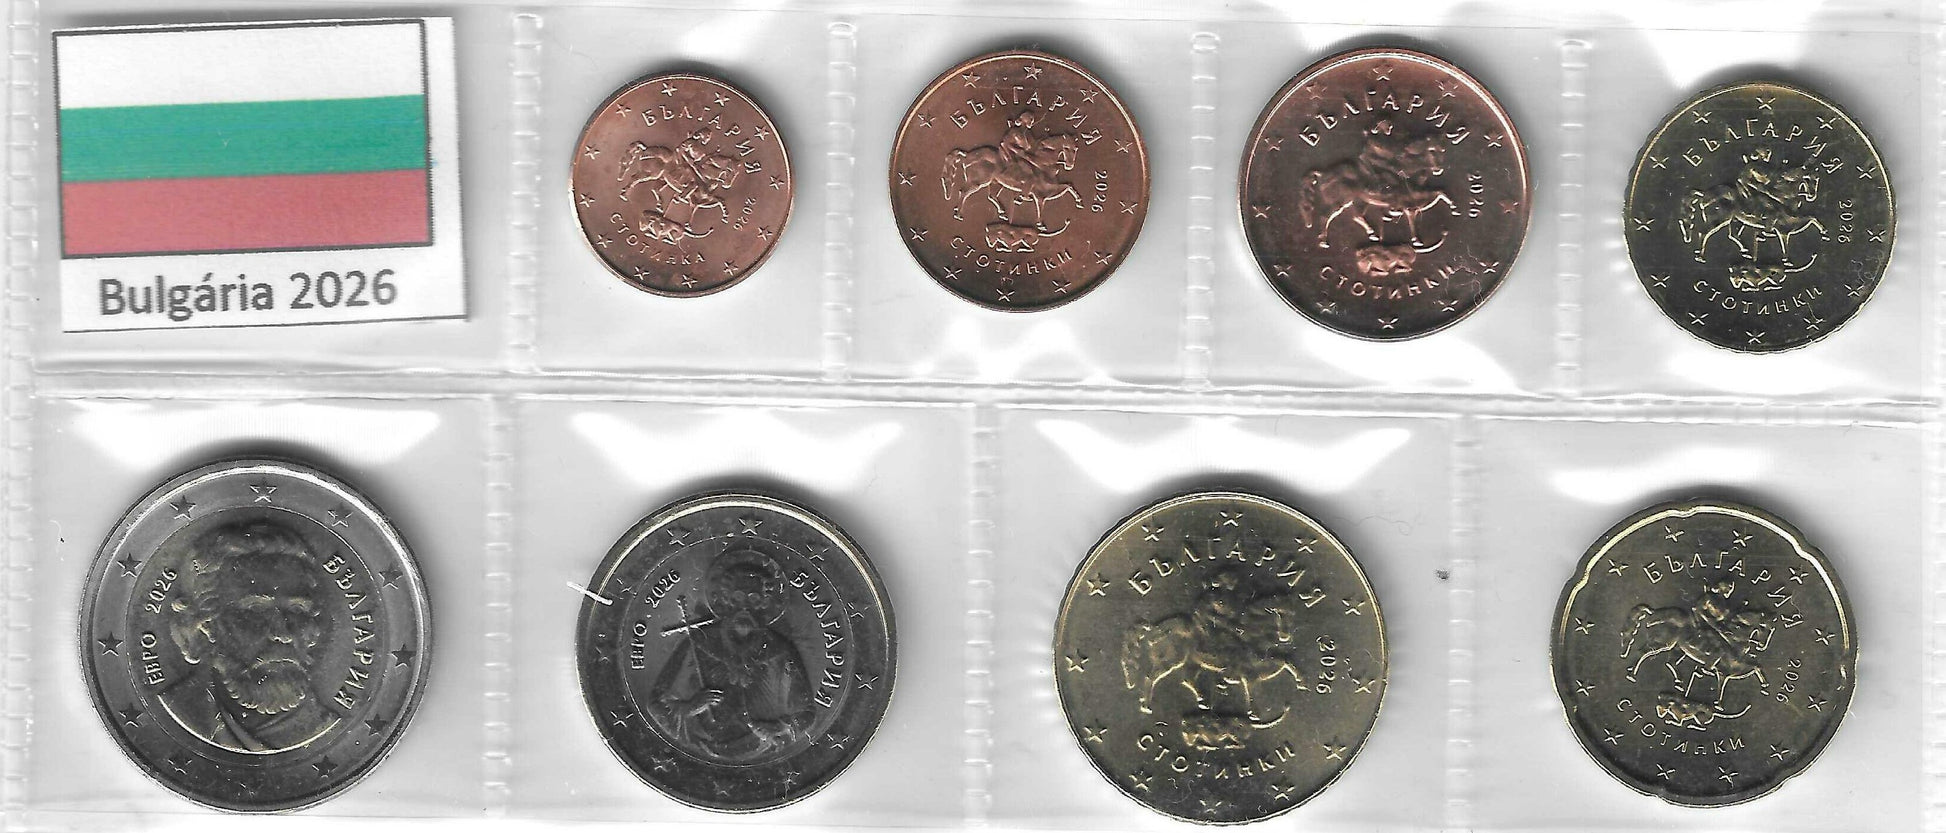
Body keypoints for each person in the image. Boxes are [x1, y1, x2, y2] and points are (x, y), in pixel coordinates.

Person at [158, 519, 337, 753]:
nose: (282, 633)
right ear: (208, 624)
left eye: (297, 610)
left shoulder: (327, 728)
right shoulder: (179, 712)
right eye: (256, 610)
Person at [648, 549, 814, 763]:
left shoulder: (780, 650)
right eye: (737, 597)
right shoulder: (699, 643)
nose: (744, 607)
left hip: (762, 751)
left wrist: (780, 726)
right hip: (702, 747)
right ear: (725, 600)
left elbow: (806, 713)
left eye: (754, 598)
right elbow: (656, 703)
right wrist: (689, 707)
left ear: (765, 603)